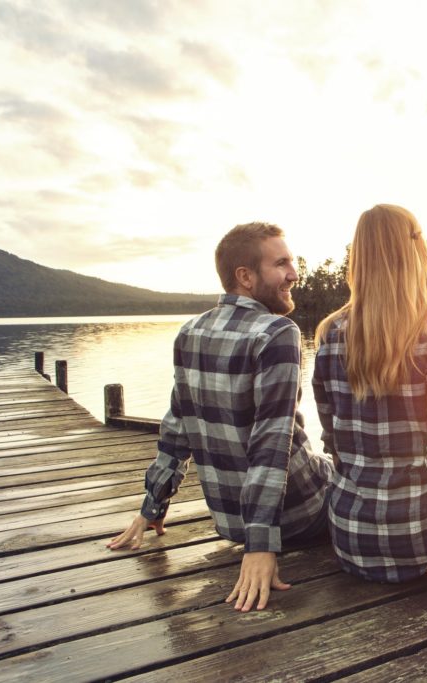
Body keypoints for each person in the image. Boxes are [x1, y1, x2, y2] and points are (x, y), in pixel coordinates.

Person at [108, 222, 333, 612]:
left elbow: (176, 424)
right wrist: (262, 545)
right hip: (296, 515)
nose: (293, 274)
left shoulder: (189, 331)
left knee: (327, 460)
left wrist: (153, 505)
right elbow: (271, 441)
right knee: (354, 475)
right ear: (245, 277)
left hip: (231, 524)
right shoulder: (277, 332)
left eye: (291, 262)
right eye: (281, 264)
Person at [312, 204, 427, 583]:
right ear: (415, 253)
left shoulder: (329, 333)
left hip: (349, 535)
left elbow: (333, 438)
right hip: (417, 537)